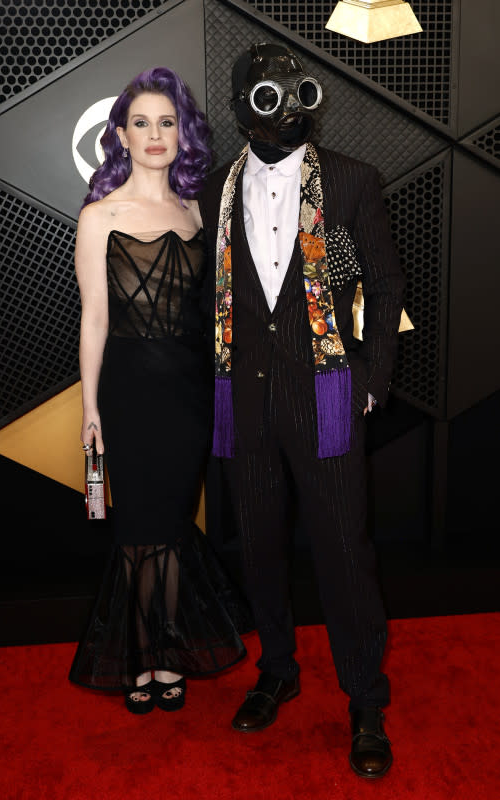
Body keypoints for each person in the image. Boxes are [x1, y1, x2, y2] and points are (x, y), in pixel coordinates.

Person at [199, 43, 405, 777]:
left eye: (292, 93)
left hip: (325, 393)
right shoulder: (214, 190)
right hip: (242, 398)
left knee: (345, 554)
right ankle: (278, 668)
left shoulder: (351, 181)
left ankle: (364, 700)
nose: (281, 108)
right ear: (238, 105)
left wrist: (369, 381)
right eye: (262, 95)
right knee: (257, 546)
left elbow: (383, 289)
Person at [68, 66, 252, 715]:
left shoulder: (198, 210)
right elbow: (94, 316)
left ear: (182, 133)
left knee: (172, 527)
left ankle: (163, 650)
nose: (154, 134)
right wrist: (90, 408)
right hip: (126, 392)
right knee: (139, 531)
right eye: (141, 123)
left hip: (189, 392)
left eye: (166, 122)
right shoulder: (99, 215)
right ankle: (144, 656)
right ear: (120, 134)